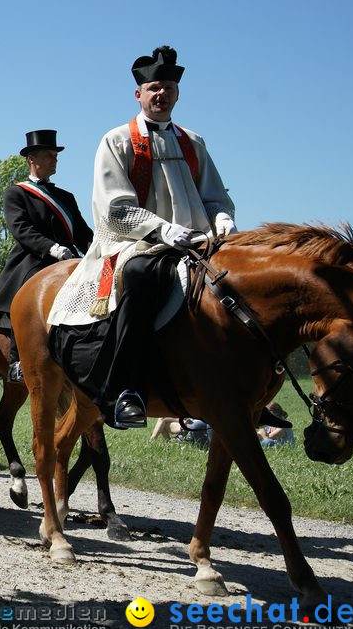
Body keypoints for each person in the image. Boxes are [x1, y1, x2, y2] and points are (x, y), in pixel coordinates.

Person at [47, 46, 236, 429]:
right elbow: (114, 207)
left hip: (198, 242)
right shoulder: (117, 140)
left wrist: (224, 222)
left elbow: (215, 196)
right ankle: (125, 390)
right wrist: (163, 229)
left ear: (177, 94)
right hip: (136, 243)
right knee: (140, 277)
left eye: (167, 87)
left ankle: (243, 388)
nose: (160, 94)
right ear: (139, 94)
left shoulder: (193, 142)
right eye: (153, 88)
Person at [0, 130, 93, 382]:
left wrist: (98, 250)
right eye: (49, 155)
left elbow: (82, 232)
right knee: (26, 294)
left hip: (68, 258)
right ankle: (18, 360)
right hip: (32, 259)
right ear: (31, 159)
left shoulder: (66, 197)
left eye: (56, 155)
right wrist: (52, 248)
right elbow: (21, 229)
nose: (54, 159)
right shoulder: (16, 193)